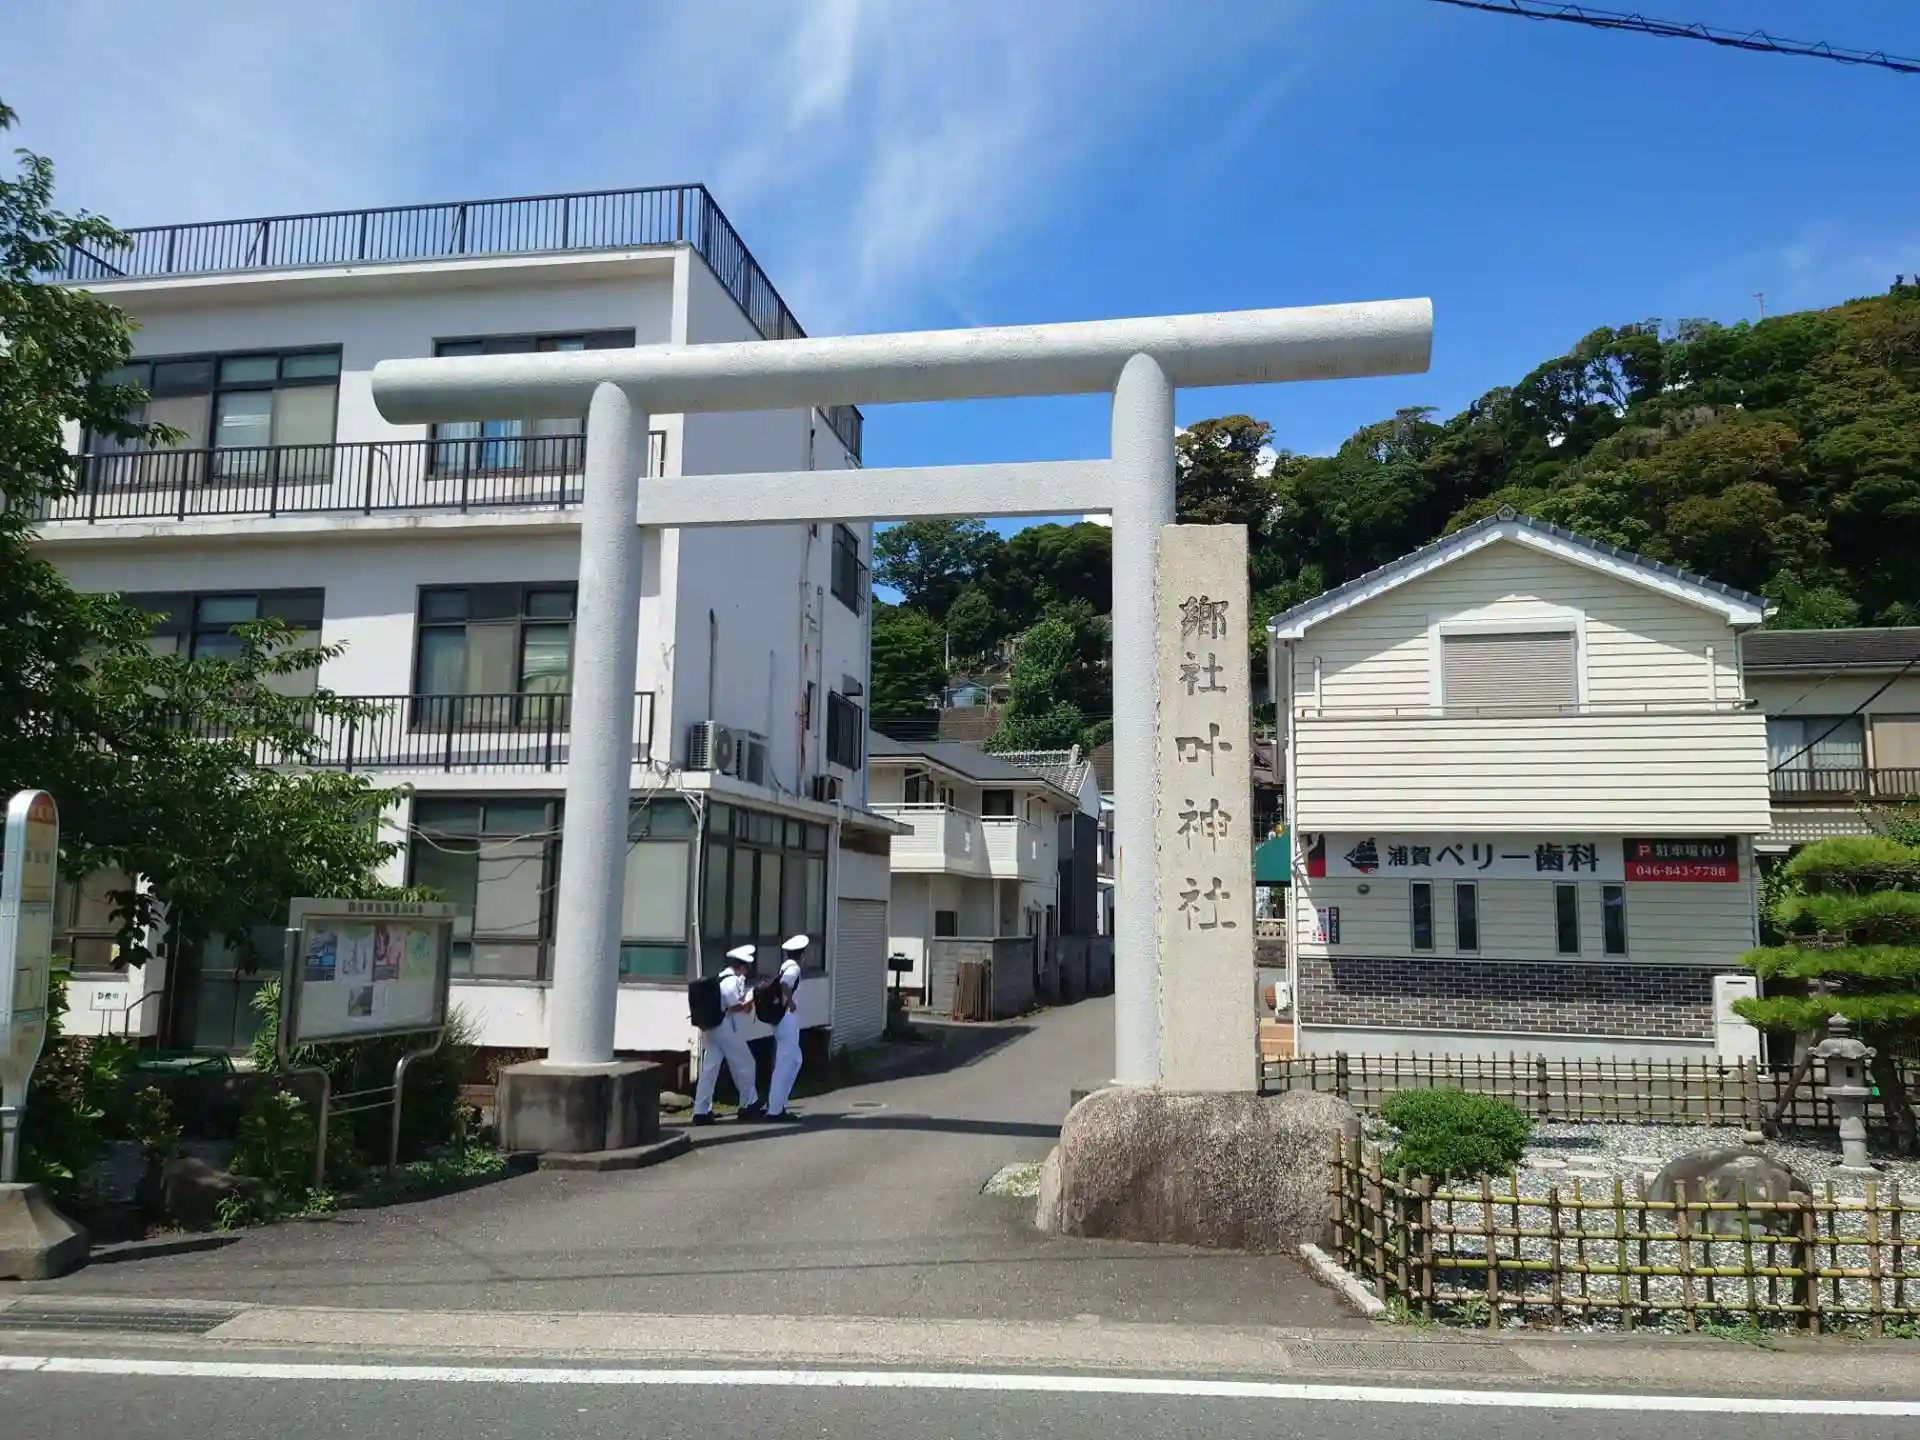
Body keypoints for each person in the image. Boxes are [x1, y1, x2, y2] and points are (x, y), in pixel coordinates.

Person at [691, 945, 763, 1126]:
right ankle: (748, 1104)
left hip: (711, 1026)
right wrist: (751, 998)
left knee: (710, 1069)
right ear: (742, 966)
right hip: (725, 1026)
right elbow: (737, 1007)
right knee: (746, 1063)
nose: (747, 970)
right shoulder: (733, 981)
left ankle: (700, 1111)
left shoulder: (720, 978)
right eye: (746, 966)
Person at [764, 933, 809, 1121]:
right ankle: (775, 1110)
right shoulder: (793, 969)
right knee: (784, 1063)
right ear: (802, 954)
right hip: (787, 1019)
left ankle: (778, 1103)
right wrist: (790, 1002)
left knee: (795, 1060)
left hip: (784, 1020)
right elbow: (785, 983)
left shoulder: (785, 966)